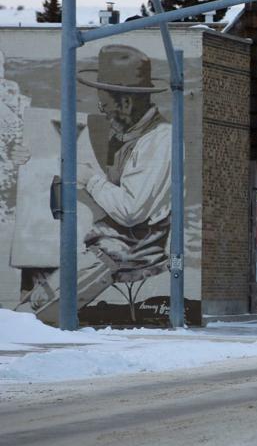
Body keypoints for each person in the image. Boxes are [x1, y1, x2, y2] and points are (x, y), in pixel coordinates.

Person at [38, 45, 171, 321]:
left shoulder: (159, 141)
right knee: (39, 287)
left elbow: (131, 211)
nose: (104, 113)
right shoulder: (127, 135)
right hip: (106, 248)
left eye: (105, 105)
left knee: (45, 309)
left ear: (126, 103)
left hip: (131, 256)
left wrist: (90, 179)